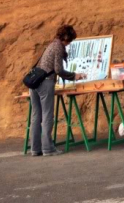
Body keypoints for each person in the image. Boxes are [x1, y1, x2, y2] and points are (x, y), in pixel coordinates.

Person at [29, 24, 86, 156]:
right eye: (69, 41)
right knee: (48, 115)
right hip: (46, 82)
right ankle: (48, 148)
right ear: (66, 37)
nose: (68, 44)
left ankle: (35, 148)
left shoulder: (51, 45)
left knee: (36, 116)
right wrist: (74, 76)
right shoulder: (58, 47)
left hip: (35, 83)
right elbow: (58, 70)